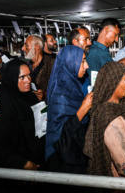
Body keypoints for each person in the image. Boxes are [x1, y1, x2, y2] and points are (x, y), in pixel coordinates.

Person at [0, 58, 45, 171]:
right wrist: (23, 164)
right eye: (22, 77)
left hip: (40, 161)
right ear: (10, 79)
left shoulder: (32, 98)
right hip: (17, 170)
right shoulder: (2, 110)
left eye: (29, 76)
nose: (28, 80)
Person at [45, 45, 93, 174]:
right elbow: (61, 135)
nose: (87, 66)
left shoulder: (73, 86)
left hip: (74, 154)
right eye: (82, 61)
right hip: (61, 159)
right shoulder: (60, 94)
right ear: (70, 62)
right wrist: (84, 108)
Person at [86, 18, 120, 86]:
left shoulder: (104, 51)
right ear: (106, 30)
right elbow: (95, 85)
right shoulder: (94, 53)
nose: (117, 40)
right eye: (115, 35)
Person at [21, 34, 55, 101]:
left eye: (26, 45)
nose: (23, 48)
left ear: (36, 47)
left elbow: (63, 87)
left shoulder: (53, 63)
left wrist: (45, 94)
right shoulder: (26, 65)